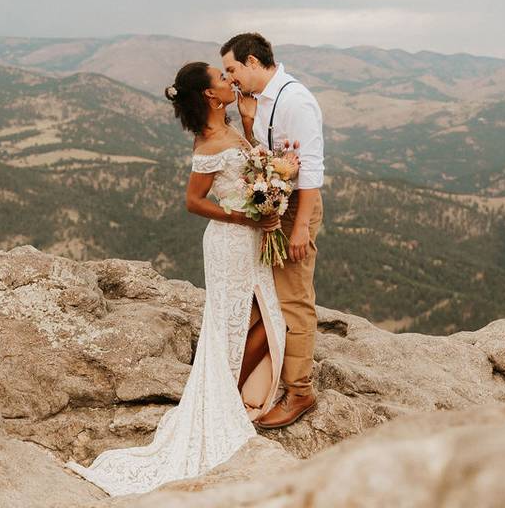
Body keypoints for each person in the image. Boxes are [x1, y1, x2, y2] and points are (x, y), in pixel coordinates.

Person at [63, 61, 291, 496]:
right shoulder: (208, 143)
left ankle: (227, 393)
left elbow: (250, 163)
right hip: (229, 241)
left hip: (248, 240)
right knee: (235, 321)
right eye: (223, 79)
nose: (230, 82)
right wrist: (244, 215)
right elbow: (193, 201)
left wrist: (275, 176)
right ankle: (222, 400)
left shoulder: (230, 122)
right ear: (209, 94)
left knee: (262, 315)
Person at [221, 32, 324, 429]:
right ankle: (263, 375)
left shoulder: (295, 100)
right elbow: (266, 156)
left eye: (232, 69)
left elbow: (311, 171)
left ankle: (300, 391)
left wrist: (299, 229)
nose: (230, 78)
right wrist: (248, 123)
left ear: (251, 61)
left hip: (297, 207)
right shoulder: (261, 102)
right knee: (270, 293)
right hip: (277, 208)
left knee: (294, 298)